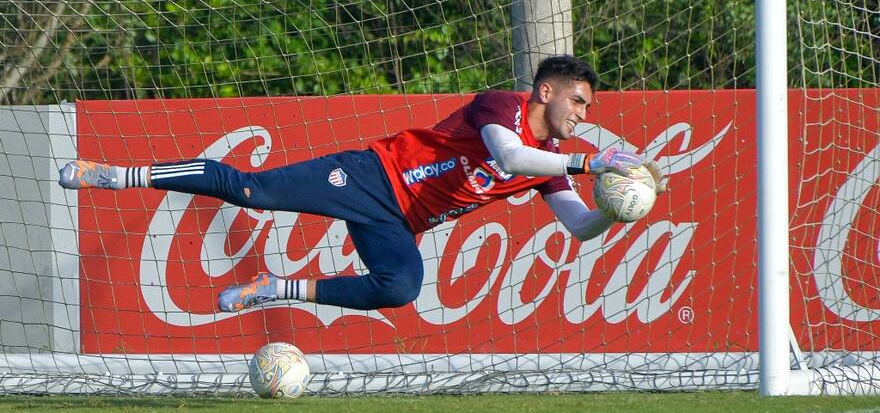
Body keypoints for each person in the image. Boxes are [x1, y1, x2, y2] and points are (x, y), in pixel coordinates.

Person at [59, 55, 664, 312]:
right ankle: (117, 175)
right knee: (252, 191)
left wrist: (616, 209)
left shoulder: (554, 158)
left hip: (397, 222)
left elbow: (581, 227)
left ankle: (276, 287)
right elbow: (509, 155)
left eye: (589, 106)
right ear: (546, 91)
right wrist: (595, 166)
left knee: (400, 287)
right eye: (578, 101)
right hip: (375, 177)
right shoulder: (502, 106)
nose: (583, 114)